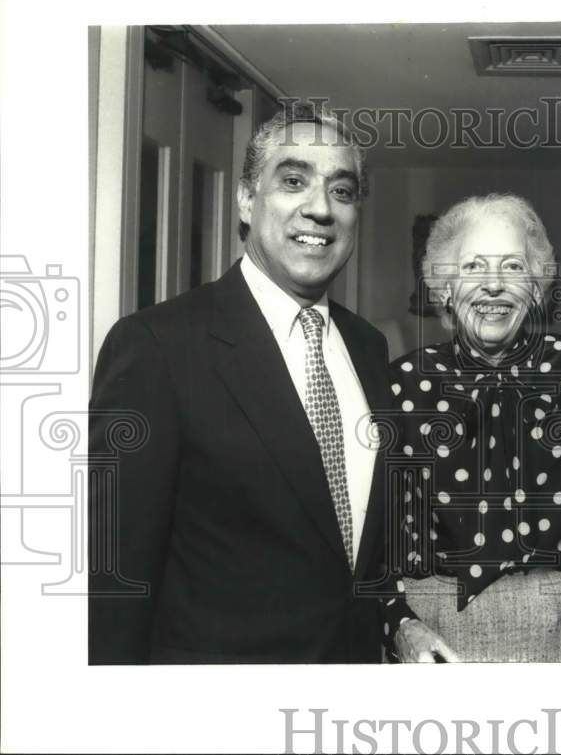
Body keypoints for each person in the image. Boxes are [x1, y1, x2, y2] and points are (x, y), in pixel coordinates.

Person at [89, 103, 391, 663]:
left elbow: (358, 558)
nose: (320, 209)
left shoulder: (370, 349)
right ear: (247, 200)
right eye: (293, 181)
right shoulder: (155, 346)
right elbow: (114, 585)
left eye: (342, 192)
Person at [382, 194, 561, 662]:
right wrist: (397, 623)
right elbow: (378, 542)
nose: (494, 286)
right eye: (474, 268)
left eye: (514, 268)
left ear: (539, 287)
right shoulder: (401, 384)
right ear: (442, 286)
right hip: (435, 636)